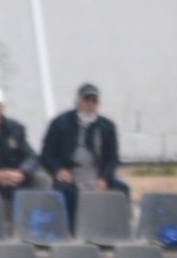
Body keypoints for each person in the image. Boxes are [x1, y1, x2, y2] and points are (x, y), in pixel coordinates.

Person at [40, 83, 124, 224]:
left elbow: (113, 159)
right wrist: (58, 170)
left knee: (121, 188)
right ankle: (71, 229)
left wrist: (104, 178)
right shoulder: (60, 123)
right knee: (65, 191)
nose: (90, 104)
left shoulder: (107, 127)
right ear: (78, 101)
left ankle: (115, 227)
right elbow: (46, 155)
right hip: (70, 173)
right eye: (87, 99)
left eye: (94, 100)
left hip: (96, 172)